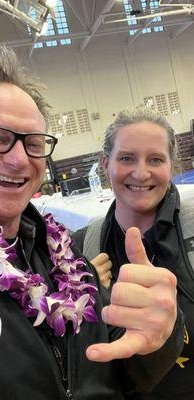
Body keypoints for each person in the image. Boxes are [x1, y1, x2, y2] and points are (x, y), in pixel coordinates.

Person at [0, 48, 184, 400]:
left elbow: (122, 374)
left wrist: (159, 338)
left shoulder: (65, 257)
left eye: (34, 143)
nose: (18, 159)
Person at [72, 108, 193, 400]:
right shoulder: (80, 249)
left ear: (171, 165)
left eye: (155, 159)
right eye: (126, 158)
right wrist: (84, 301)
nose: (141, 173)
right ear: (105, 164)